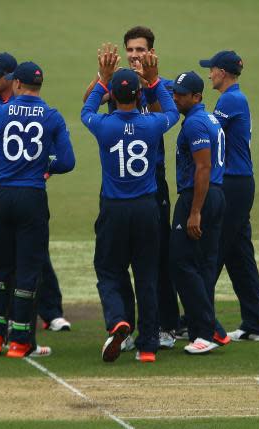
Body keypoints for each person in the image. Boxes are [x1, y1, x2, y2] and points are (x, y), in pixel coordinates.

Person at [0, 61, 75, 358]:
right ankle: (20, 341)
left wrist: (1, 160)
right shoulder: (51, 116)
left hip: (1, 195)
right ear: (40, 86)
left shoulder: (0, 113)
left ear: (16, 84)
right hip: (32, 196)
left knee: (1, 269)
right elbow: (67, 162)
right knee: (28, 271)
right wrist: (42, 165)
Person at [83, 27, 181, 351]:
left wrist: (147, 83)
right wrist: (105, 77)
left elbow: (90, 112)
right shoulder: (119, 81)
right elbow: (88, 100)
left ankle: (165, 326)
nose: (136, 55)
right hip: (122, 186)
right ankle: (129, 329)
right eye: (131, 50)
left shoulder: (159, 83)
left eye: (141, 49)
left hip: (152, 183)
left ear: (151, 51)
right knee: (128, 260)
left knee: (155, 257)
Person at [199, 50, 259, 341]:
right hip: (239, 183)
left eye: (212, 69)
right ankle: (255, 325)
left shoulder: (230, 100)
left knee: (212, 251)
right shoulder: (234, 98)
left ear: (223, 73)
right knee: (239, 256)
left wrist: (187, 106)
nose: (209, 74)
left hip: (233, 185)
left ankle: (200, 319)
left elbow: (210, 130)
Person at [169, 71, 226, 354]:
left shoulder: (194, 125)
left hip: (199, 195)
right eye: (175, 92)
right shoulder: (209, 119)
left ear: (197, 97)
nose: (175, 97)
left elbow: (202, 168)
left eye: (181, 94)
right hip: (215, 194)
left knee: (179, 262)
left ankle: (204, 329)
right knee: (203, 265)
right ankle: (203, 331)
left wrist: (194, 212)